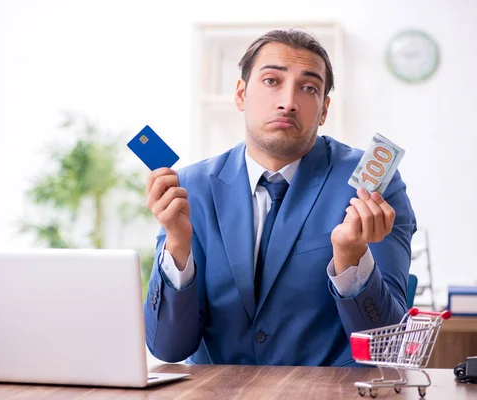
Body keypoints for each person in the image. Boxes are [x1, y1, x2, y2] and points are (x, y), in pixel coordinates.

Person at [143, 29, 416, 366]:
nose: (288, 101)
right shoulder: (189, 188)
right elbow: (169, 349)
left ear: (324, 110)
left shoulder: (371, 186)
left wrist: (351, 255)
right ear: (241, 94)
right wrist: (177, 244)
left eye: (309, 88)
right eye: (272, 81)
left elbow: (387, 346)